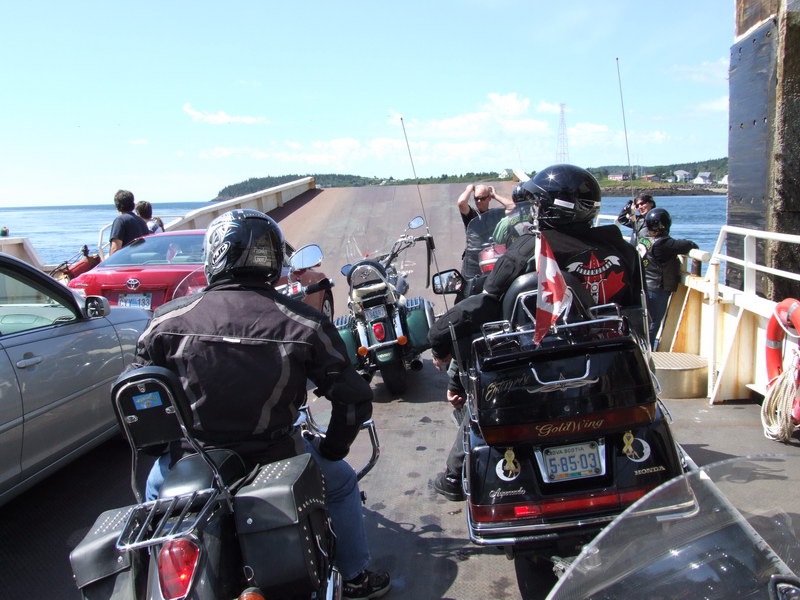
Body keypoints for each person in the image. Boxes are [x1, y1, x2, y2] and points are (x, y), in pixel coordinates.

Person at [133, 209, 390, 599]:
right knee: (340, 483)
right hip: (276, 456)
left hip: (190, 459)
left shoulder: (164, 322)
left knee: (155, 495)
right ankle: (355, 576)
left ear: (214, 256)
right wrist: (333, 449)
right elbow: (354, 398)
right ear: (272, 261)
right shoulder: (303, 322)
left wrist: (160, 449)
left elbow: (138, 395)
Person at [430, 164, 644, 501]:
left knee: (481, 402)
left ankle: (455, 478)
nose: (534, 209)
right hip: (610, 370)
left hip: (536, 371)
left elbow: (484, 305)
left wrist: (438, 337)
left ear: (550, 209)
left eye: (538, 204)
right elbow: (637, 316)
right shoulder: (625, 250)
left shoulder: (531, 246)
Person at [638, 207, 698, 350]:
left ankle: (643, 350)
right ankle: (647, 352)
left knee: (645, 322)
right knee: (653, 323)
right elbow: (688, 245)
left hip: (644, 285)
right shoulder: (663, 244)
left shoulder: (644, 240)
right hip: (657, 288)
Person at [108, 190, 149, 255]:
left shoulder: (120, 220)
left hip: (126, 259)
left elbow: (115, 249)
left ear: (117, 205)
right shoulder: (141, 221)